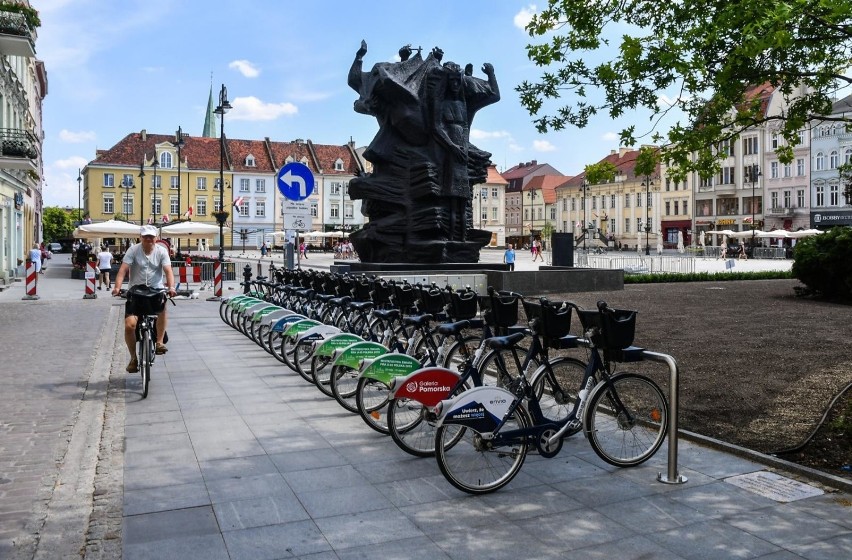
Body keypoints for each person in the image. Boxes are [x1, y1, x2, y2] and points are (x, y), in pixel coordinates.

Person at [112, 225, 176, 374]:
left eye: (151, 237)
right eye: (146, 236)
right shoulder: (133, 250)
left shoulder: (161, 251)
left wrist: (171, 287)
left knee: (163, 306)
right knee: (130, 325)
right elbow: (123, 270)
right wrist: (117, 287)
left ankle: (159, 342)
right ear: (140, 237)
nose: (149, 239)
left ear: (156, 238)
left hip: (155, 290)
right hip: (136, 291)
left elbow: (168, 271)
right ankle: (133, 358)